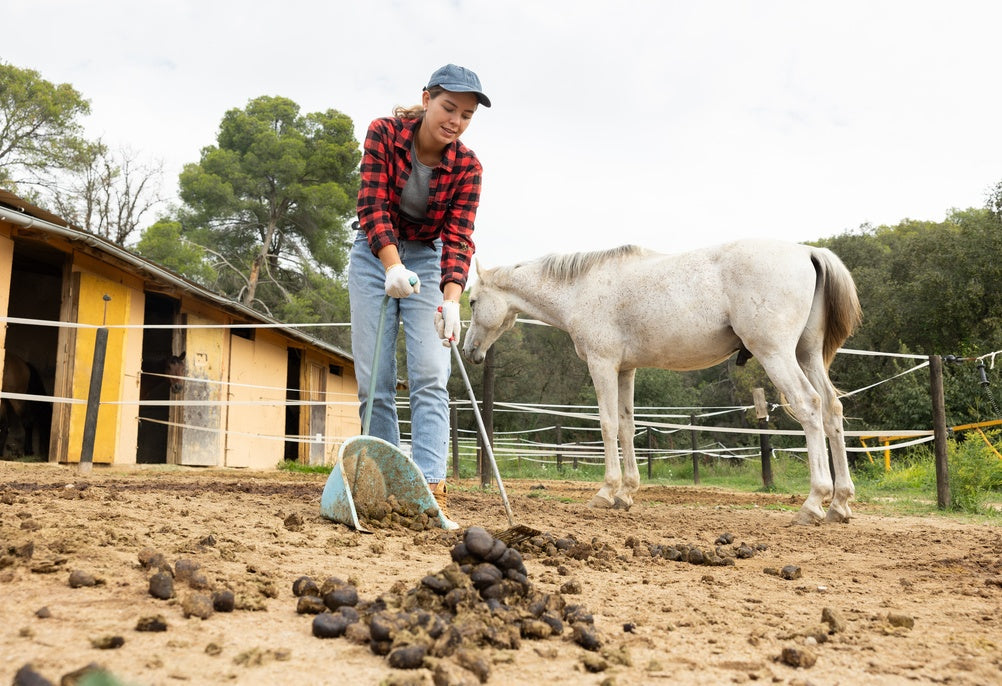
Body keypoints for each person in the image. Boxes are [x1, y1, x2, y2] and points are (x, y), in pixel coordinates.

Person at [348, 64, 490, 527]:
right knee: (376, 378)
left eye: (466, 115)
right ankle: (383, 484)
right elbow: (370, 204)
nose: (455, 120)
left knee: (432, 370)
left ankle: (429, 488)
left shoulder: (468, 167)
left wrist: (452, 299)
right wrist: (391, 266)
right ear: (427, 98)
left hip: (428, 259)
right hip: (374, 252)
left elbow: (459, 236)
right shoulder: (383, 134)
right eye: (449, 107)